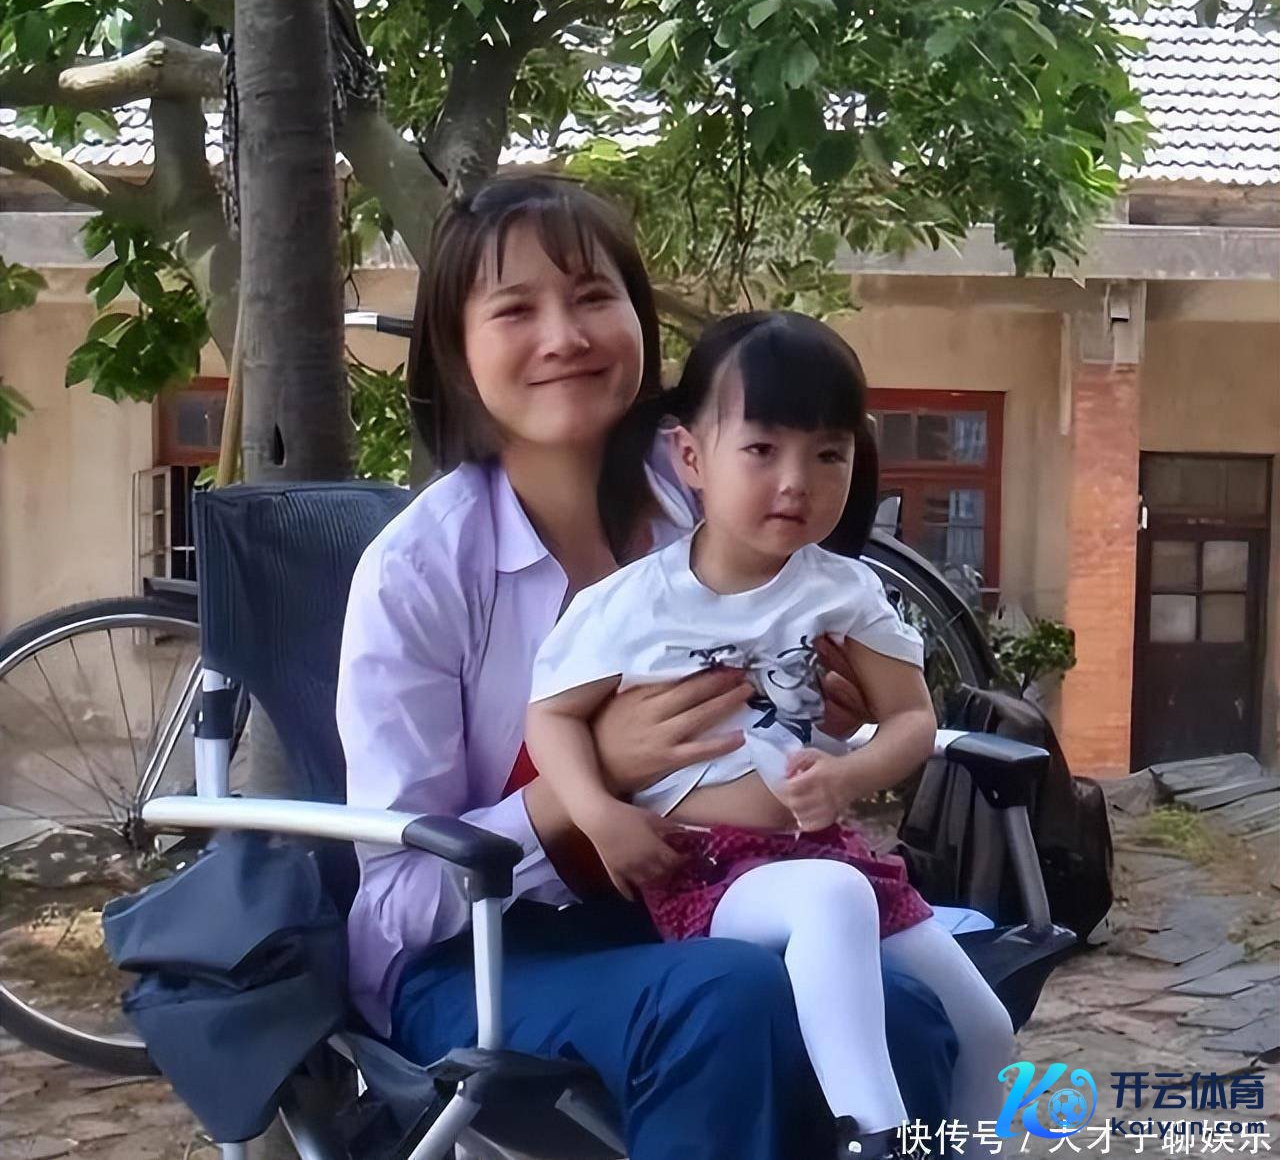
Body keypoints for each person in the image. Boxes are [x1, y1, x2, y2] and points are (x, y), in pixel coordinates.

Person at [337, 174, 960, 1160]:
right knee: (730, 1000)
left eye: (593, 296)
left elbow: (847, 703)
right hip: (484, 958)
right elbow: (398, 902)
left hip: (702, 900)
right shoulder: (419, 572)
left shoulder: (722, 505)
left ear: (638, 319)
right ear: (455, 350)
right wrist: (585, 787)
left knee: (904, 1007)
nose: (564, 336)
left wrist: (826, 719)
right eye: (515, 309)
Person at [526, 311, 1016, 1158]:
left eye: (828, 454)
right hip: (706, 868)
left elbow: (911, 719)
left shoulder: (846, 592)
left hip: (830, 852)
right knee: (832, 900)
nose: (797, 482)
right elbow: (551, 715)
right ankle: (874, 1131)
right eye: (761, 449)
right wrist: (600, 815)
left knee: (985, 1025)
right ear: (691, 457)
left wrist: (850, 775)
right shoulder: (632, 604)